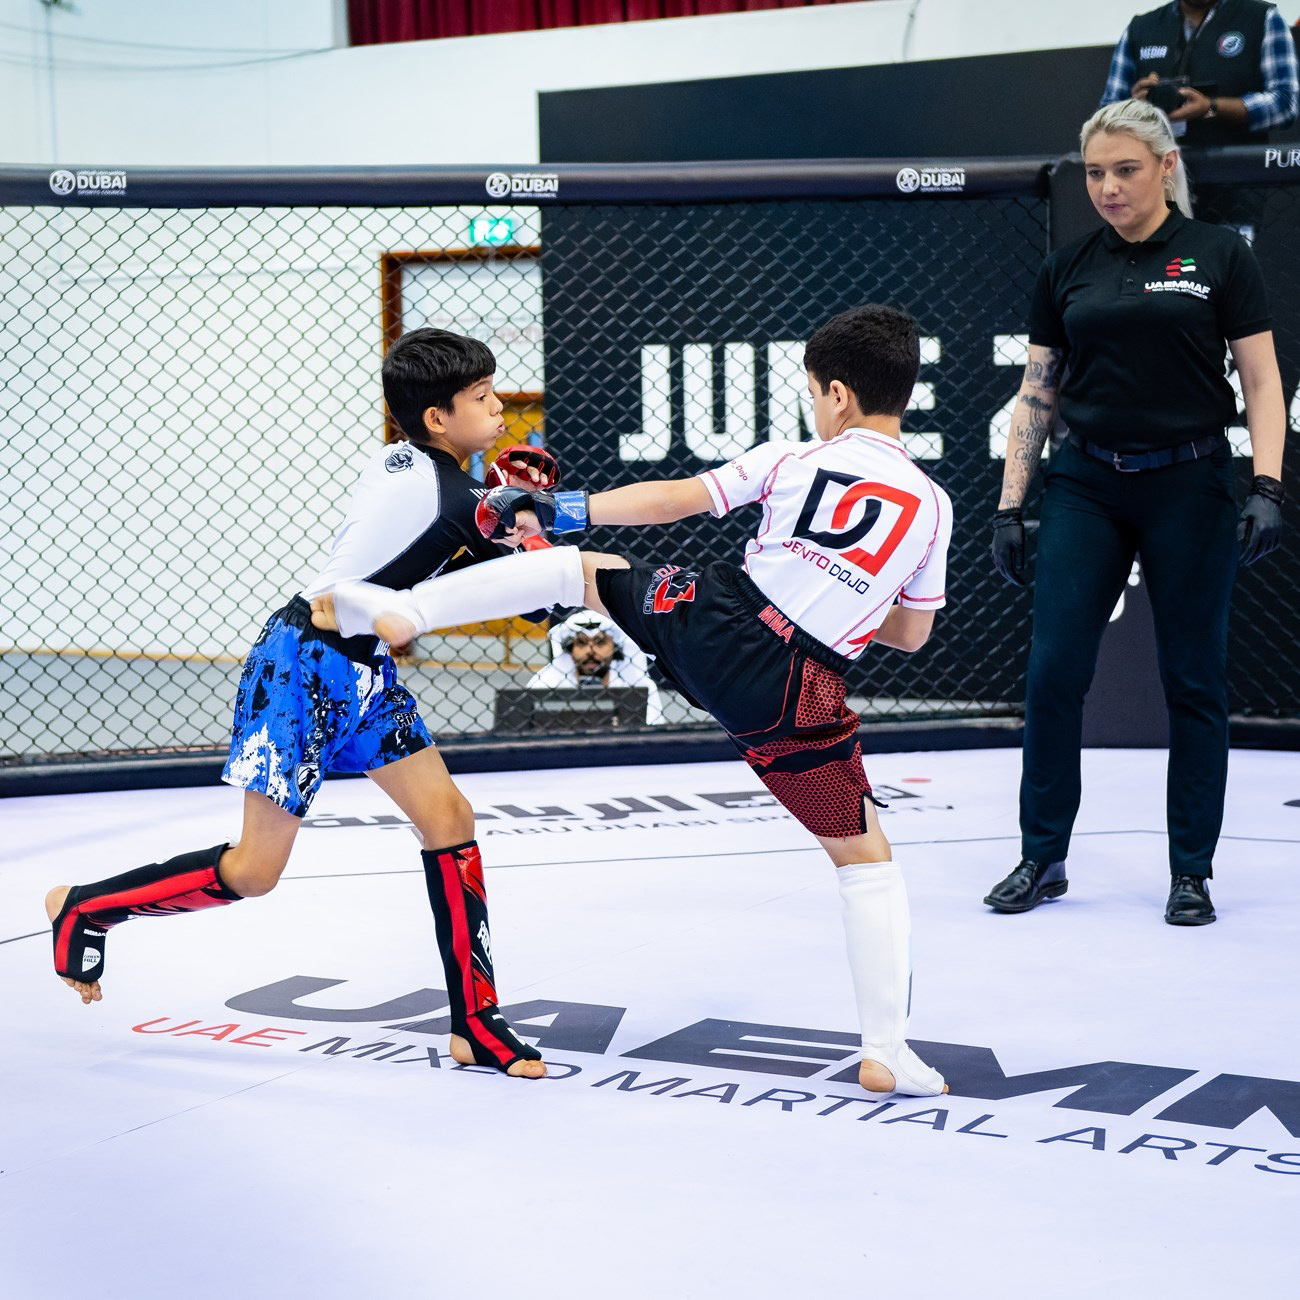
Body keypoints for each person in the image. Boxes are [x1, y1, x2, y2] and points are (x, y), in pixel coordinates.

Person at [313, 304, 956, 1099]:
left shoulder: (796, 458)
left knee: (582, 569)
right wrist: (853, 589)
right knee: (866, 861)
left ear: (835, 395)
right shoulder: (933, 505)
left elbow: (672, 501)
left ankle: (407, 612)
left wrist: (561, 508)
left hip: (717, 626)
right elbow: (911, 634)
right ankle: (886, 1049)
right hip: (796, 690)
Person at [45, 328, 557, 1079]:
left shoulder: (418, 467)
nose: (501, 409)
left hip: (366, 670)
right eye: (482, 398)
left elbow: (512, 586)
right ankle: (85, 907)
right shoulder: (445, 492)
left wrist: (513, 520)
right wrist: (529, 526)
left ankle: (475, 1023)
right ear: (439, 418)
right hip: (304, 668)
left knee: (448, 818)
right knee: (254, 871)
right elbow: (535, 599)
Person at [985, 99, 1286, 926]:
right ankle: (1042, 859)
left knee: (1193, 681)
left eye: (1125, 169)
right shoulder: (1068, 268)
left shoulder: (1219, 254)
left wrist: (1266, 485)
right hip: (1085, 484)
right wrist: (1012, 505)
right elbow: (1037, 390)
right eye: (1095, 173)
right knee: (1053, 676)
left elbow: (1262, 383)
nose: (1109, 187)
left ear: (1164, 168)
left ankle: (1192, 871)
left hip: (1191, 483)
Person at [1101, 0, 1299, 239]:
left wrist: (1211, 107)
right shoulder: (1141, 28)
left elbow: (1286, 103)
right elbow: (1107, 116)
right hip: (1156, 196)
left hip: (1233, 191)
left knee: (1223, 272)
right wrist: (1134, 107)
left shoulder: (1261, 18)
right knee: (1161, 274)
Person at [525, 609, 664, 724]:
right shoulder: (545, 684)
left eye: (600, 642)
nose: (590, 651)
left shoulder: (639, 685)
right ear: (570, 649)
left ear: (614, 647)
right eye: (581, 643)